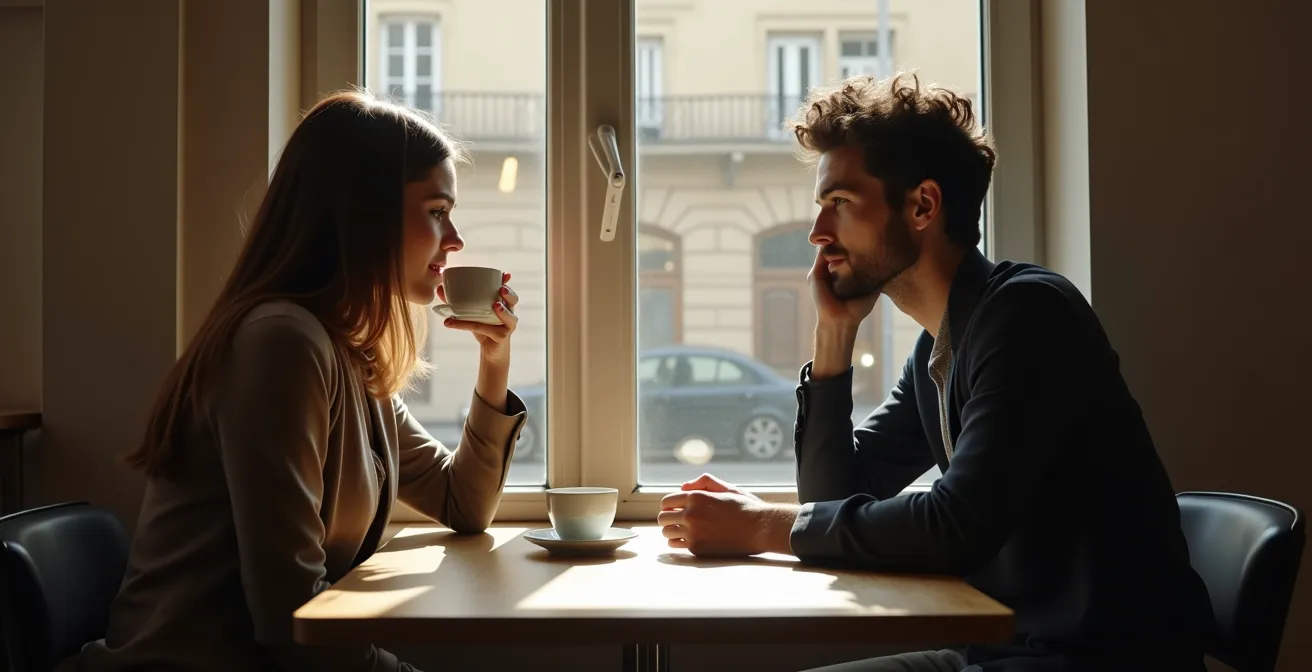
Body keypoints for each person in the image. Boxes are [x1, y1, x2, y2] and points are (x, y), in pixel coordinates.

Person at [657, 74, 1213, 671]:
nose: (818, 234)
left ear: (923, 204)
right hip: (1001, 654)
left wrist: (763, 526)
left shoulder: (1029, 314)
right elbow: (835, 499)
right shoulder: (935, 351)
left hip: (1094, 661)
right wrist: (835, 335)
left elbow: (956, 523)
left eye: (840, 204)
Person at [61, 91, 527, 672]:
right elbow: (292, 625)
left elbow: (463, 502)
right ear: (363, 212)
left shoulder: (347, 352)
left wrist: (495, 360)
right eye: (437, 211)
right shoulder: (282, 344)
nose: (454, 239)